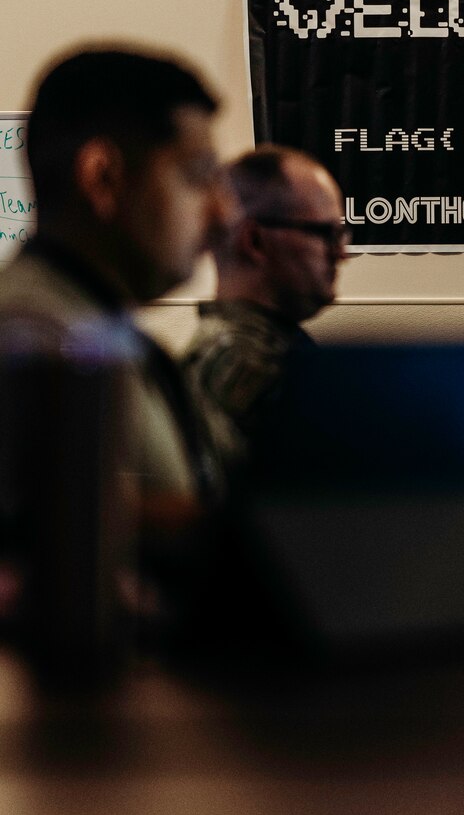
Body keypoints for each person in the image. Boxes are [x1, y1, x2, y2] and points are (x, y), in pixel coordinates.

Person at [0, 45, 232, 505]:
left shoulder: (92, 327)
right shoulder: (34, 345)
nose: (223, 212)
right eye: (196, 176)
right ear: (103, 178)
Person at [182, 145, 348, 468]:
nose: (340, 254)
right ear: (255, 241)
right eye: (326, 234)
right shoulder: (239, 365)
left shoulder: (270, 350)